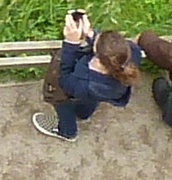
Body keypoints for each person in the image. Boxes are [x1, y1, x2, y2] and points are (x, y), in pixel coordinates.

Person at [37, 12, 136, 141]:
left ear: (97, 55)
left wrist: (71, 44)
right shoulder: (130, 55)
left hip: (81, 89)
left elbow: (64, 79)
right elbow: (109, 51)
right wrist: (89, 33)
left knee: (62, 103)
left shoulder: (82, 84)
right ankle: (83, 114)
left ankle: (68, 132)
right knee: (91, 99)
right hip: (104, 92)